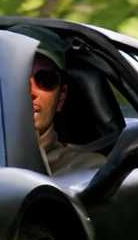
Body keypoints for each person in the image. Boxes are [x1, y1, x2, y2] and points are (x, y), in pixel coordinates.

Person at [17, 28, 107, 176]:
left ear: (60, 98)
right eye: (18, 76)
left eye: (45, 79)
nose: (30, 91)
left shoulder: (84, 169)